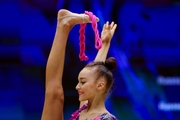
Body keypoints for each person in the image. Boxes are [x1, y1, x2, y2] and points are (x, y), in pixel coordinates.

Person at [41, 9, 117, 120]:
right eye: (79, 82)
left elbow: (96, 75)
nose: (77, 87)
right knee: (54, 93)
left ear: (100, 85)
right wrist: (105, 44)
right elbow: (97, 72)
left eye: (83, 82)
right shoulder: (85, 109)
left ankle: (64, 25)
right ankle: (64, 25)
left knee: (54, 94)